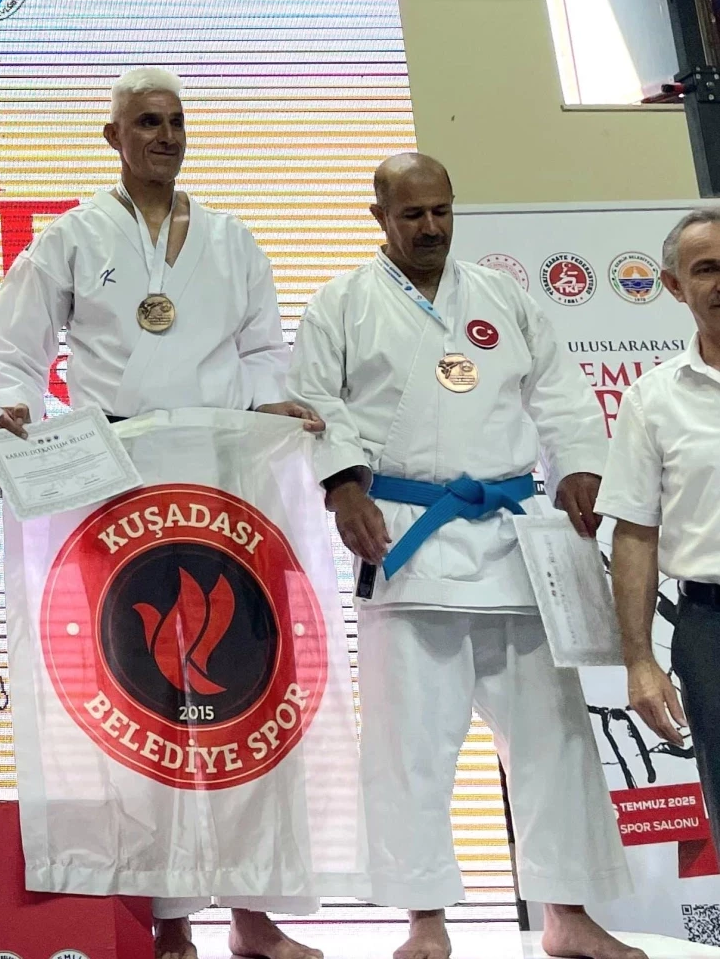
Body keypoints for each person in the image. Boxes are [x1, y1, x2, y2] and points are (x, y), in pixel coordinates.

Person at [0, 67, 330, 959]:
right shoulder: (69, 237)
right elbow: (11, 352)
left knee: (244, 696)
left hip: (223, 482)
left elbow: (262, 348)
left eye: (174, 121)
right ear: (113, 138)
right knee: (141, 701)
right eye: (145, 122)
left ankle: (252, 913)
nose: (164, 136)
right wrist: (16, 406)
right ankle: (165, 913)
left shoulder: (230, 239)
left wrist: (272, 403)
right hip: (117, 489)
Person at [286, 153, 640, 959]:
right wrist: (342, 487)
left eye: (441, 211)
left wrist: (579, 464)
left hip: (513, 542)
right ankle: (424, 920)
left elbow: (559, 392)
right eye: (412, 214)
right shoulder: (342, 304)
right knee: (409, 745)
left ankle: (566, 914)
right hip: (407, 540)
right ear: (379, 217)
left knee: (553, 737)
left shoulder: (501, 297)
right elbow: (314, 403)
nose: (430, 227)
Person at [599, 208, 720, 851]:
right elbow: (634, 535)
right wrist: (640, 660)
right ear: (674, 286)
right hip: (711, 628)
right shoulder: (653, 400)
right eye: (706, 269)